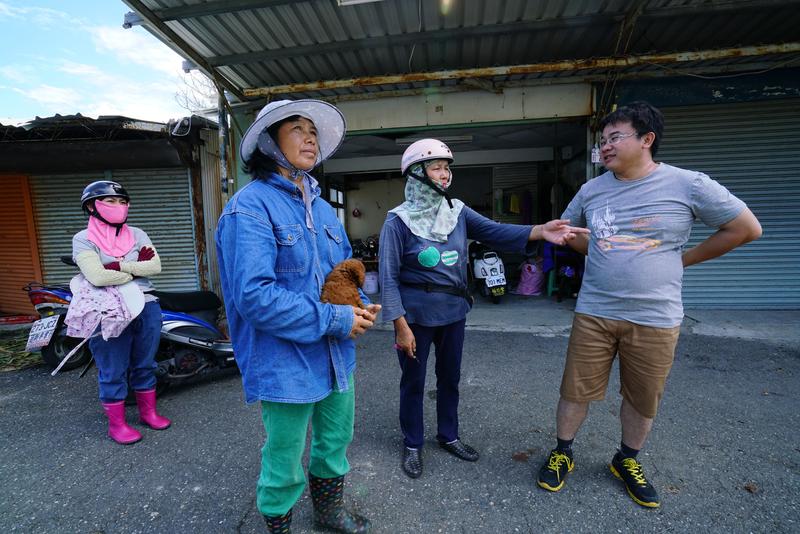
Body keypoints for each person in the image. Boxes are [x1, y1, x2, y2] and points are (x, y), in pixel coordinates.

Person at [536, 101, 762, 507]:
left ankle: (626, 460)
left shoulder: (688, 184)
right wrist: (599, 248)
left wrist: (683, 259)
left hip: (655, 317)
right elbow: (571, 235)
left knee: (642, 397)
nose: (604, 147)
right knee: (575, 390)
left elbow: (746, 228)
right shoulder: (592, 189)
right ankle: (562, 451)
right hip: (595, 312)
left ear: (646, 140)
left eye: (614, 138)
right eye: (602, 141)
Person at [215, 99, 380, 534]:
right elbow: (253, 295)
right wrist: (335, 319)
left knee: (334, 443)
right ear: (269, 143)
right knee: (285, 455)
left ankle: (328, 514)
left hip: (336, 356)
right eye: (298, 128)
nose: (311, 137)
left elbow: (343, 270)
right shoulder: (248, 207)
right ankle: (279, 525)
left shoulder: (325, 210)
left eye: (314, 130)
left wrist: (357, 304)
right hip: (283, 360)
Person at [379, 138, 588, 479]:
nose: (444, 175)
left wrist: (539, 230)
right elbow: (387, 278)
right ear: (416, 173)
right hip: (415, 317)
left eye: (447, 168)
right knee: (413, 382)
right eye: (436, 168)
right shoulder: (397, 222)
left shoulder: (457, 211)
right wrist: (400, 325)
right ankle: (413, 443)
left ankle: (449, 435)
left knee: (450, 379)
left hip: (454, 314)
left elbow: (496, 231)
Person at [71, 180, 170, 445]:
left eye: (122, 201)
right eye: (110, 201)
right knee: (113, 368)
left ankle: (148, 413)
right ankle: (117, 425)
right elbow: (97, 276)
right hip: (107, 309)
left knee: (145, 363)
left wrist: (118, 265)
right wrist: (135, 266)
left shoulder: (137, 234)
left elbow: (156, 267)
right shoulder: (83, 239)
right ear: (92, 206)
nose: (119, 206)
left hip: (146, 305)